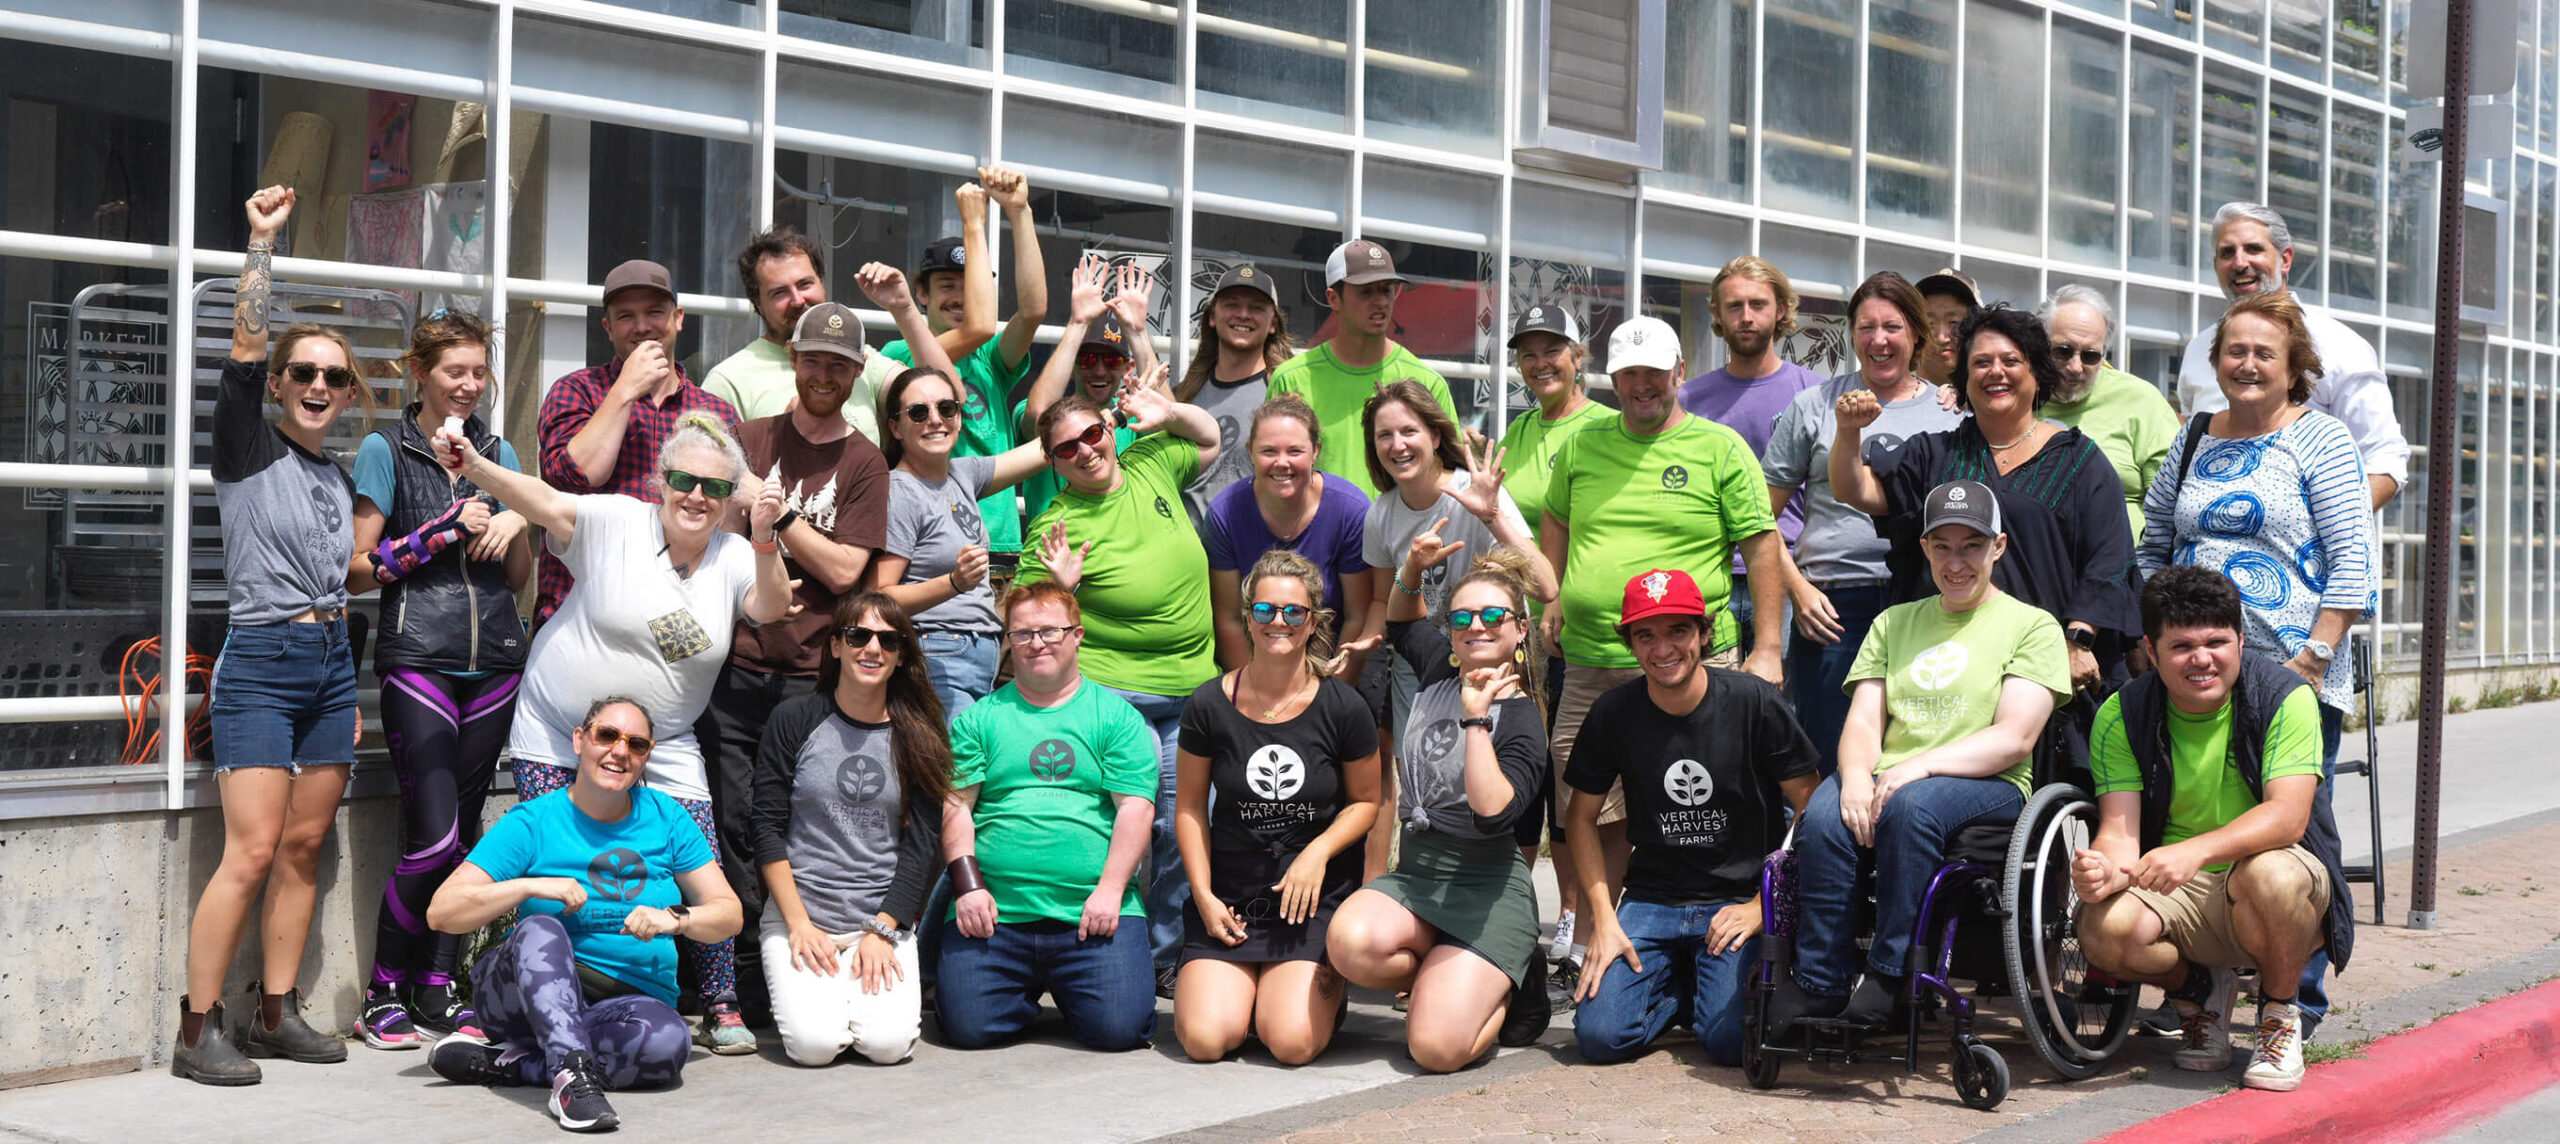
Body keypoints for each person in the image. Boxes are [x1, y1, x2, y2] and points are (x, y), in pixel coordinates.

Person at [439, 411, 792, 1056]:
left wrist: (766, 539)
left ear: (729, 499)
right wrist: (475, 468)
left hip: (668, 738)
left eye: (716, 488)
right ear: (661, 481)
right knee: (557, 862)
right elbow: (543, 500)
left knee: (697, 865)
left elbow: (769, 609)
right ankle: (538, 995)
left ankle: (718, 1001)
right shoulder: (616, 522)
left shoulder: (737, 555)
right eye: (685, 480)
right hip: (562, 729)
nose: (697, 497)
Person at [172, 185, 369, 1085]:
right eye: (305, 374)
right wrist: (261, 244)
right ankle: (195, 1030)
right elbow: (246, 348)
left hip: (330, 664)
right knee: (249, 849)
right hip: (258, 662)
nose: (319, 386)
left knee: (302, 849)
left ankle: (275, 1013)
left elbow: (345, 581)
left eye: (335, 376)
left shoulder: (332, 477)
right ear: (281, 388)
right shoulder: (248, 450)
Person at [2138, 288, 2372, 1040]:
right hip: (2195, 668)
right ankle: (2208, 980)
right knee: (2195, 811)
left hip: (2290, 668)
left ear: (2293, 365)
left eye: (2262, 353)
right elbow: (2153, 545)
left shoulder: (2322, 438)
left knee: (2293, 837)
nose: (2246, 363)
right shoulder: (2195, 436)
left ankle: (2293, 1003)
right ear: (2217, 361)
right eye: (2233, 351)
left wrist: (2315, 656)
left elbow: (2353, 562)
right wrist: (2154, 638)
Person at [692, 287, 923, 1042]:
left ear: (856, 373)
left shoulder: (863, 463)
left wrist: (779, 516)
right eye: (812, 357)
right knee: (732, 826)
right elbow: (714, 525)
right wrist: (751, 521)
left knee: (795, 823)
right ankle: (740, 988)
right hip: (737, 666)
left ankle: (795, 958)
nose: (823, 372)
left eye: (838, 363)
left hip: (810, 676)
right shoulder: (749, 438)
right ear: (792, 360)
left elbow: (847, 570)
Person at [1769, 481, 2071, 1029]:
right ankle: (1820, 980)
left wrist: (1921, 765)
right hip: (1894, 773)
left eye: (1972, 546)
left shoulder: (2032, 626)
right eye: (1944, 546)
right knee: (1823, 816)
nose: (1957, 562)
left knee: (1911, 808)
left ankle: (1892, 974)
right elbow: (1863, 719)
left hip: (1989, 782)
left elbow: (2015, 738)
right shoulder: (1895, 622)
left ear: (1997, 547)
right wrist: (1856, 775)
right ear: (1925, 548)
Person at [1542, 315, 1784, 955]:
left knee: (1716, 803)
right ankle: (1600, 940)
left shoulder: (1719, 447)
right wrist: (1554, 594)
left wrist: (1767, 647)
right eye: (1628, 375)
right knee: (1591, 807)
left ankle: (1724, 935)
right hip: (1595, 656)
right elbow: (1557, 521)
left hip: (1696, 658)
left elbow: (1761, 544)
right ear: (1612, 380)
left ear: (1680, 373)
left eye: (1655, 373)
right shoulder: (1582, 445)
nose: (1641, 386)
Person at [2073, 566, 2354, 1093]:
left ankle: (2277, 1015)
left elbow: (2287, 818)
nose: (2201, 659)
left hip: (2273, 880)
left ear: (2242, 641)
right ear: (2151, 653)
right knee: (2101, 928)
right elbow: (2119, 831)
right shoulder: (2123, 713)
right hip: (2178, 890)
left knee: (2271, 875)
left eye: (2217, 642)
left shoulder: (2285, 696)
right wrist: (2103, 869)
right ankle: (2199, 993)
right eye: (2181, 646)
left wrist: (2195, 851)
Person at [1831, 305, 2141, 770]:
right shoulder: (1935, 452)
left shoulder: (2080, 461)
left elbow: (2111, 560)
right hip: (1948, 670)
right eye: (1980, 362)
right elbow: (1854, 489)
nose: (1996, 372)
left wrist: (2077, 641)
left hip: (2038, 668)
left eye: (2011, 361)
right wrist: (1848, 434)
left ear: (2037, 372)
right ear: (1964, 378)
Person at [424, 698, 744, 1134]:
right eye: (607, 735)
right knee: (540, 927)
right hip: (523, 996)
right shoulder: (534, 820)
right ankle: (573, 1077)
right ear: (580, 739)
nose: (620, 751)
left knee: (669, 1044)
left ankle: (514, 1065)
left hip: (629, 1000)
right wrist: (531, 886)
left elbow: (728, 915)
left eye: (636, 743)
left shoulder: (668, 818)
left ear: (646, 756)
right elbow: (442, 912)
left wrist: (678, 918)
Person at [349, 309, 535, 1050]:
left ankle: (436, 986)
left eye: (477, 372)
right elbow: (358, 573)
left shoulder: (498, 449)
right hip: (418, 656)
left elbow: (519, 577)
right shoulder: (382, 448)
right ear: (419, 373)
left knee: (466, 844)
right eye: (453, 371)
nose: (467, 385)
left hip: (494, 662)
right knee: (434, 839)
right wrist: (436, 533)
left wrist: (518, 527)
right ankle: (382, 990)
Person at [1566, 569, 1820, 1066]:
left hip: (1734, 901)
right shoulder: (1612, 713)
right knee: (1600, 1039)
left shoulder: (1754, 702)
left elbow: (1811, 805)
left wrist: (1762, 905)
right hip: (1651, 901)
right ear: (1631, 645)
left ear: (1704, 634)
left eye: (1677, 631)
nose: (1663, 649)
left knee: (1730, 1043)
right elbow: (1580, 819)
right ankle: (1684, 988)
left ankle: (1707, 991)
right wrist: (1602, 919)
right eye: (1646, 635)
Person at [1019, 376, 1224, 989]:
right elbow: (1030, 625)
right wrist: (1063, 588)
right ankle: (1122, 950)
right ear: (1053, 464)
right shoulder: (1054, 527)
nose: (1085, 449)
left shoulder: (1149, 463)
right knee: (1147, 823)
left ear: (1111, 430)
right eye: (1066, 448)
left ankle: (1165, 955)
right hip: (1120, 699)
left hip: (1193, 691)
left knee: (1186, 822)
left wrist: (1170, 411)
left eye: (1092, 433)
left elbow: (1209, 439)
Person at [1327, 547, 1556, 1072]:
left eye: (1493, 615)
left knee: (1435, 1049)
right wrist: (1410, 568)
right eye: (1462, 617)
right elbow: (1402, 618)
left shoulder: (1522, 719)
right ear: (1450, 631)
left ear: (1520, 630)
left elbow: (1495, 815)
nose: (1476, 625)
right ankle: (1446, 970)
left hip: (1486, 891)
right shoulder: (1437, 668)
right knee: (1350, 945)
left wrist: (1477, 721)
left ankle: (1512, 980)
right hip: (1418, 879)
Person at [1171, 551, 1383, 1064]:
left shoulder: (1343, 707)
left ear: (1314, 622)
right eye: (1265, 610)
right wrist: (1202, 894)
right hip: (1233, 896)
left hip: (1310, 897)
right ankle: (1252, 992)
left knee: (1290, 1042)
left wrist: (1317, 853)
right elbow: (1191, 808)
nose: (1278, 622)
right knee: (1204, 1040)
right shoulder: (1208, 704)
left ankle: (1311, 988)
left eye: (1294, 611)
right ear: (1247, 617)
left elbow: (1366, 802)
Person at [936, 583, 1161, 1051]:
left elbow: (1135, 809)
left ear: (1077, 635)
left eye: (1049, 631)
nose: (1036, 643)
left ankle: (1077, 989)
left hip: (1091, 912)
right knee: (967, 1029)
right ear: (1008, 642)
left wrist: (1111, 891)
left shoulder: (1116, 718)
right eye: (1022, 634)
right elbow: (956, 806)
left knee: (1117, 1032)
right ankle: (1024, 992)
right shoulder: (979, 719)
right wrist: (969, 887)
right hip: (998, 916)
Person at [1764, 272, 1966, 773]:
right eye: (1866, 327)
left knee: (1914, 754)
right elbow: (1757, 520)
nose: (1879, 340)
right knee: (1825, 758)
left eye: (1893, 327)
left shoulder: (1952, 413)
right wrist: (1798, 589)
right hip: (1834, 605)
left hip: (1926, 601)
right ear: (1851, 334)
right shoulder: (1814, 405)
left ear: (1916, 334)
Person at [749, 593, 952, 1066]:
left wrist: (884, 930)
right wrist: (798, 924)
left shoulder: (920, 733)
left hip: (878, 921)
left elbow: (923, 845)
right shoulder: (794, 719)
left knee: (887, 1046)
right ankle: (827, 990)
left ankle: (850, 985)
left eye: (888, 640)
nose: (872, 649)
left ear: (902, 656)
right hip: (801, 913)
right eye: (858, 636)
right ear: (837, 645)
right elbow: (766, 826)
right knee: (815, 1047)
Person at [1494, 303, 1614, 980]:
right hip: (1524, 628)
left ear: (1580, 357)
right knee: (1533, 772)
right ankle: (1545, 919)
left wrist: (1563, 601)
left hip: (1577, 627)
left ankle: (1578, 919)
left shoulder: (1602, 427)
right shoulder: (1517, 432)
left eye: (1554, 350)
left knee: (1579, 779)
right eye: (1528, 353)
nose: (1542, 364)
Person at [533, 258, 743, 620]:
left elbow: (728, 517)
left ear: (678, 317)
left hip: (675, 615)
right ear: (608, 327)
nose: (643, 327)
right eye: (626, 316)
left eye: (655, 312)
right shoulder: (576, 391)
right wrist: (625, 390)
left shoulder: (717, 413)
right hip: (581, 608)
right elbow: (575, 478)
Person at [2176, 203, 2409, 512]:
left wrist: (2326, 529)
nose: (2240, 262)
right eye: (2227, 252)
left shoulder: (2339, 346)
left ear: (2285, 259)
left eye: (2254, 249)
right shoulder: (2199, 348)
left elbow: (2383, 459)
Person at [883, 168, 1050, 559]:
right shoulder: (899, 353)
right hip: (936, 548)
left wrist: (1020, 211)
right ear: (921, 293)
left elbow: (1033, 310)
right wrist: (974, 223)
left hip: (1002, 543)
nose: (959, 296)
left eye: (968, 283)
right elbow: (979, 325)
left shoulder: (990, 359)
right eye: (946, 285)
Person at [872, 365, 1051, 717]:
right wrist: (953, 582)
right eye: (918, 412)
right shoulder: (902, 491)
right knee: (955, 771)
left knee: (963, 768)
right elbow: (880, 597)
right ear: (896, 427)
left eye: (947, 408)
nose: (935, 419)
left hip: (979, 652)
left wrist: (1119, 414)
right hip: (937, 654)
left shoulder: (961, 473)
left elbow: (1046, 448)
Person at [1678, 255, 1826, 658]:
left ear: (1781, 310)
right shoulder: (1688, 400)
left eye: (1758, 304)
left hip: (1793, 578)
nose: (1746, 317)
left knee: (1783, 712)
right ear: (1716, 314)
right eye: (1734, 306)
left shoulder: (1815, 394)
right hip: (1708, 576)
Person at [698, 229, 942, 443]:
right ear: (758, 304)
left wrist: (905, 310)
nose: (797, 300)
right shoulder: (728, 379)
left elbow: (944, 395)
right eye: (779, 292)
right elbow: (707, 466)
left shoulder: (858, 357)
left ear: (822, 284)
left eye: (805, 284)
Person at [1268, 240, 1464, 497]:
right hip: (1321, 535)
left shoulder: (1427, 381)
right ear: (1333, 298)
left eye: (1386, 290)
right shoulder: (1291, 378)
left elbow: (1453, 477)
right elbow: (1271, 473)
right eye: (1366, 291)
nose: (1380, 301)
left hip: (1403, 536)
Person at [1202, 397, 1373, 671]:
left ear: (1315, 451)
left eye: (1295, 451)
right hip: (1254, 657)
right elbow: (1229, 620)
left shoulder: (1350, 510)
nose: (1282, 463)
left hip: (1332, 656)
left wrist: (1326, 698)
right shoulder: (1226, 514)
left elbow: (1357, 617)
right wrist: (1253, 694)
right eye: (1269, 451)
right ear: (1250, 451)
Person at [1014, 255, 1158, 521]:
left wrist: (1138, 332)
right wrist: (1077, 324)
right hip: (1054, 552)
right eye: (1088, 359)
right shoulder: (1049, 417)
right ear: (1072, 364)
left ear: (1127, 368)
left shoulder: (1136, 419)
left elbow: (1165, 417)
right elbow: (1038, 414)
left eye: (1112, 360)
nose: (1100, 370)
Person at [2038, 284, 2181, 538]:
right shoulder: (2019, 395)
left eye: (2090, 356)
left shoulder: (2141, 400)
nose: (2075, 367)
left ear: (2105, 354)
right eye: (2062, 351)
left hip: (2124, 565)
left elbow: (2168, 506)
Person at [1178, 263, 1295, 521]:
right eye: (1231, 304)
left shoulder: (1284, 396)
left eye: (1256, 307)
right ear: (1211, 317)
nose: (1243, 314)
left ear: (1273, 323)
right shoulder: (1186, 394)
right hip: (1189, 554)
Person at [1913, 268, 1983, 390]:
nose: (1941, 338)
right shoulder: (1887, 397)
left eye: (1954, 323)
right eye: (1930, 325)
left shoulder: (1995, 398)